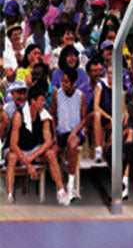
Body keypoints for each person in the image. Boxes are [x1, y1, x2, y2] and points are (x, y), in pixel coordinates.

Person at [5, 83, 69, 206]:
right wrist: (28, 164)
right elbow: (13, 145)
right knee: (12, 157)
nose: (44, 103)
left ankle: (61, 191)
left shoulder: (43, 115)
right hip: (16, 150)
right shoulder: (18, 115)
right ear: (33, 101)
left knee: (50, 153)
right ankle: (9, 195)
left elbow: (48, 142)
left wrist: (32, 156)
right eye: (42, 100)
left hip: (32, 150)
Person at [51, 66, 87, 201]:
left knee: (72, 145)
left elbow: (84, 119)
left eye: (66, 82)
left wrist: (75, 132)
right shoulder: (56, 94)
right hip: (61, 132)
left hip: (75, 131)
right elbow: (53, 115)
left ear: (73, 83)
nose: (63, 84)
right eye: (62, 81)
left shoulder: (80, 96)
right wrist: (54, 134)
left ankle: (71, 184)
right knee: (51, 153)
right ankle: (60, 188)